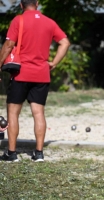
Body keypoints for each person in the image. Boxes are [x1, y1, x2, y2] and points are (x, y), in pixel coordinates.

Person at [0, 0, 70, 162]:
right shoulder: (49, 22)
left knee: (13, 113)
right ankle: (39, 153)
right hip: (41, 75)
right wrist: (53, 62)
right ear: (37, 3)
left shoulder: (18, 20)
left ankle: (12, 153)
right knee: (38, 113)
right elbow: (65, 43)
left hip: (20, 74)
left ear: (21, 5)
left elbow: (9, 44)